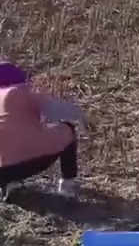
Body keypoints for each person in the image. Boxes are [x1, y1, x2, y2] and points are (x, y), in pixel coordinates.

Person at [0, 62, 84, 201]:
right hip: (26, 164)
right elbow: (65, 112)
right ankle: (68, 186)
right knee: (67, 129)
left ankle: (11, 185)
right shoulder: (20, 93)